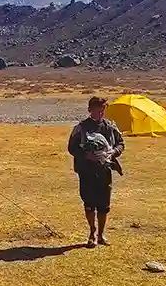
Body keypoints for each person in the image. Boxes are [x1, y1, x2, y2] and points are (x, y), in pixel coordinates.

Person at [67, 96, 124, 248]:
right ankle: (92, 232)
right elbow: (71, 148)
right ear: (90, 110)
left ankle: (101, 235)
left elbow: (120, 143)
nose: (100, 113)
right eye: (97, 110)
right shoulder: (81, 128)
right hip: (86, 171)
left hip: (104, 170)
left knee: (104, 205)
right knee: (89, 203)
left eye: (103, 110)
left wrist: (113, 153)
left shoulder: (110, 127)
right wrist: (86, 155)